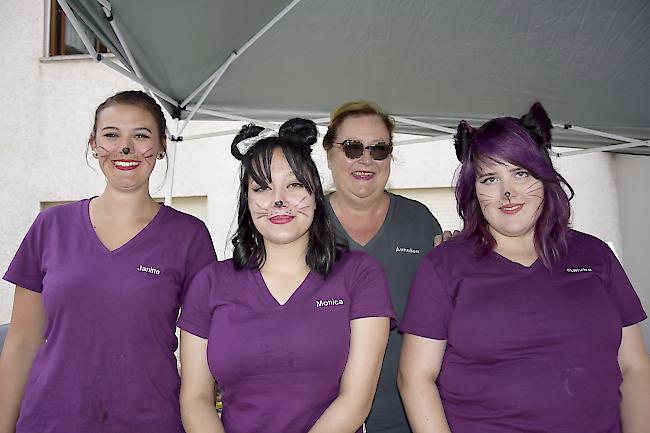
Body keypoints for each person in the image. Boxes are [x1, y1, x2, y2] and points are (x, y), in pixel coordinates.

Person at [398, 102, 650, 433]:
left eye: (520, 173)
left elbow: (635, 368)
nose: (507, 192)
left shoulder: (595, 254)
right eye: (490, 178)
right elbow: (415, 379)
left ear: (544, 176)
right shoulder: (443, 266)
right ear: (474, 191)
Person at [0, 90, 217, 433]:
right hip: (49, 421)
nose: (125, 148)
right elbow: (22, 342)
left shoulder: (189, 236)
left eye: (141, 135)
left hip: (149, 422)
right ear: (94, 144)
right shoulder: (51, 225)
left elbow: (202, 358)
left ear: (162, 146)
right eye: (112, 135)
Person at [178, 118, 394, 433]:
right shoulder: (210, 283)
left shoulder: (359, 274)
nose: (279, 200)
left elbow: (357, 399)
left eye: (294, 185)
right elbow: (196, 398)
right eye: (262, 187)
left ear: (314, 195)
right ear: (247, 200)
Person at [322, 100, 443, 432]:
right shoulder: (303, 223)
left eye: (379, 149)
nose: (365, 159)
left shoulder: (419, 222)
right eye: (352, 147)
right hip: (317, 419)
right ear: (329, 152)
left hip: (407, 418)